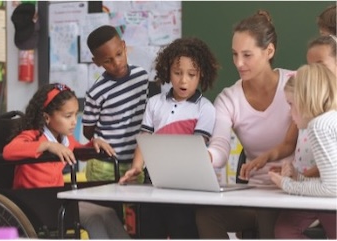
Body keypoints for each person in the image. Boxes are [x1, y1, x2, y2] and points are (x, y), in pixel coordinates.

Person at [195, 10, 298, 239]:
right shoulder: (229, 98)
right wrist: (208, 157)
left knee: (269, 217)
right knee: (206, 214)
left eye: (247, 55)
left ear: (269, 51)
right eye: (234, 54)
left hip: (295, 193)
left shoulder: (297, 84)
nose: (238, 63)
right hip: (255, 196)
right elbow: (220, 146)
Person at [119, 37, 219, 238]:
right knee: (149, 231)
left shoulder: (205, 108)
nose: (183, 80)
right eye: (177, 73)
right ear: (167, 71)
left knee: (183, 231)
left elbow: (196, 148)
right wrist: (137, 167)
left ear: (201, 75)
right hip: (153, 181)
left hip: (186, 185)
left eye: (191, 74)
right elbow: (145, 138)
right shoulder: (154, 103)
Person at [3, 83, 130, 239]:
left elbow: (78, 151)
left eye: (76, 114)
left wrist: (94, 144)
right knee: (94, 218)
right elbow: (9, 151)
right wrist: (47, 146)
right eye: (68, 116)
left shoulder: (66, 139)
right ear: (47, 117)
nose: (74, 121)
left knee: (107, 212)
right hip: (35, 203)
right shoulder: (34, 136)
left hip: (58, 198)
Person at [273, 35, 337, 239]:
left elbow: (331, 187)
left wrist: (288, 185)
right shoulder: (329, 119)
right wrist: (298, 177)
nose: (290, 114)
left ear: (305, 98)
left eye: (291, 105)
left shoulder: (319, 125)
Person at [82, 25, 149, 182]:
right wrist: (98, 140)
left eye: (119, 54)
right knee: (106, 206)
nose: (117, 63)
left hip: (135, 162)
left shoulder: (142, 77)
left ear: (124, 46)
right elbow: (88, 130)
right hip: (104, 165)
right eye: (107, 61)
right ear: (96, 62)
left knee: (134, 206)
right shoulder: (96, 91)